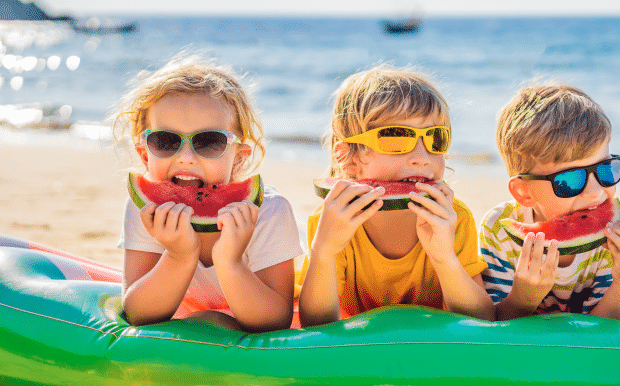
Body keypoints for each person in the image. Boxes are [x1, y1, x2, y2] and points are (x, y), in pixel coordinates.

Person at [114, 53, 302, 331]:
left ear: (239, 157)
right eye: (165, 141)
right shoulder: (145, 209)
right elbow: (139, 314)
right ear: (144, 154)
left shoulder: (269, 213)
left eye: (209, 142)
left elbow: (275, 321)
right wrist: (179, 256)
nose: (186, 157)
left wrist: (229, 261)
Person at [298, 66, 493, 326]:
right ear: (347, 157)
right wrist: (324, 251)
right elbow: (315, 324)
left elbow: (481, 321)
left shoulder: (453, 218)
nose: (421, 159)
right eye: (396, 138)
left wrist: (444, 259)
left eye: (436, 139)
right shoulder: (332, 220)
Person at [480, 83, 620, 322]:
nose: (595, 192)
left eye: (606, 170)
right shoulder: (499, 230)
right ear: (524, 191)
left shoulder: (618, 234)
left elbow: (608, 331)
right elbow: (494, 322)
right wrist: (522, 298)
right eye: (570, 180)